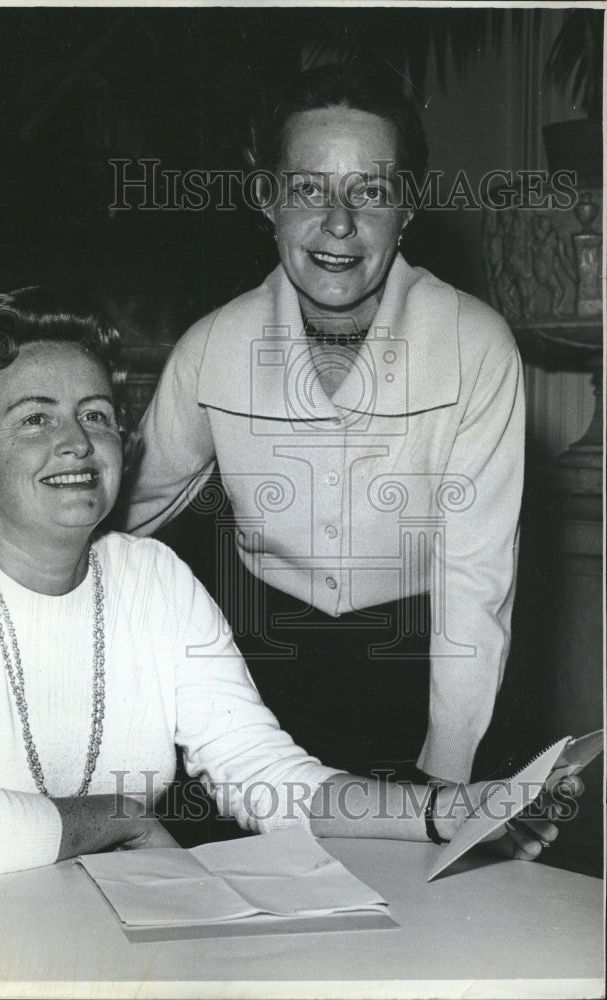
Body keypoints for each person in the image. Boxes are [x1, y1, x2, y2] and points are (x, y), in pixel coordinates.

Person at [0, 286, 576, 886]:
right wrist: (124, 818)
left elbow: (267, 776)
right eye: (34, 418)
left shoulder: (155, 580)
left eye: (96, 416)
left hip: (121, 928)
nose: (75, 441)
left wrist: (443, 813)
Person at [120, 65, 525, 785]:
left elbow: (477, 582)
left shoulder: (478, 344)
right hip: (247, 701)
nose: (339, 224)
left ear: (408, 209)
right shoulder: (212, 345)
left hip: (418, 684)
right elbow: (119, 516)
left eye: (371, 192)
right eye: (308, 188)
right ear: (267, 200)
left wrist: (448, 777)